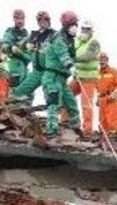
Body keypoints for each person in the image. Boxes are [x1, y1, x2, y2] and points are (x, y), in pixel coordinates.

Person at [39, 11, 81, 141]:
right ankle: (52, 130)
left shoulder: (70, 40)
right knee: (54, 103)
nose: (75, 27)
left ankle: (75, 129)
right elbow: (63, 55)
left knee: (72, 104)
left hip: (62, 79)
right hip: (52, 77)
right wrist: (71, 66)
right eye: (72, 24)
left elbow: (72, 56)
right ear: (66, 25)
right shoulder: (59, 39)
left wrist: (73, 65)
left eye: (76, 24)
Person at [11, 11, 54, 105]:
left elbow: (60, 51)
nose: (42, 22)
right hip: (36, 71)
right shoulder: (33, 35)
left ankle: (53, 118)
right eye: (40, 20)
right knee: (18, 93)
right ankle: (17, 112)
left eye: (45, 19)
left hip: (49, 72)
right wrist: (16, 47)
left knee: (51, 98)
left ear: (49, 20)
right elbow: (19, 45)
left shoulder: (55, 35)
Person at [73, 19, 101, 138]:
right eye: (83, 29)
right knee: (65, 95)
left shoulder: (94, 43)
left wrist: (73, 58)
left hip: (89, 78)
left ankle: (87, 131)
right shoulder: (76, 41)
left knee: (86, 105)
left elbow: (88, 56)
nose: (85, 31)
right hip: (77, 76)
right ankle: (66, 123)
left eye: (87, 29)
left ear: (91, 31)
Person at [0, 9, 29, 103]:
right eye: (17, 18)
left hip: (24, 67)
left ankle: (24, 111)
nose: (19, 21)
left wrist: (23, 54)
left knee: (26, 92)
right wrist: (11, 48)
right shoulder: (10, 32)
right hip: (13, 65)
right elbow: (4, 45)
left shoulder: (27, 34)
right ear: (14, 19)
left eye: (21, 18)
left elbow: (30, 53)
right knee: (13, 91)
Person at [96, 52, 117, 134]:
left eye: (103, 59)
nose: (102, 62)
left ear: (107, 60)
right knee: (103, 123)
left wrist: (114, 94)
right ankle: (105, 136)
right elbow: (97, 88)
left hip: (112, 99)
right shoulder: (97, 74)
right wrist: (97, 98)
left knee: (114, 119)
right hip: (102, 100)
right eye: (100, 60)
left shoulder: (113, 71)